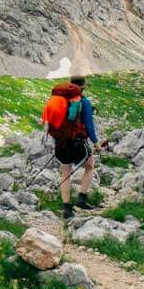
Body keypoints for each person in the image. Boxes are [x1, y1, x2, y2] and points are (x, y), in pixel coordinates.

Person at [44, 75, 101, 223]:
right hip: (77, 142)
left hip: (60, 142)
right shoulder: (84, 102)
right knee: (90, 166)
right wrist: (95, 143)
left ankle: (66, 209)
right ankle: (81, 199)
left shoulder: (62, 100)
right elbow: (89, 125)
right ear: (83, 86)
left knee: (65, 174)